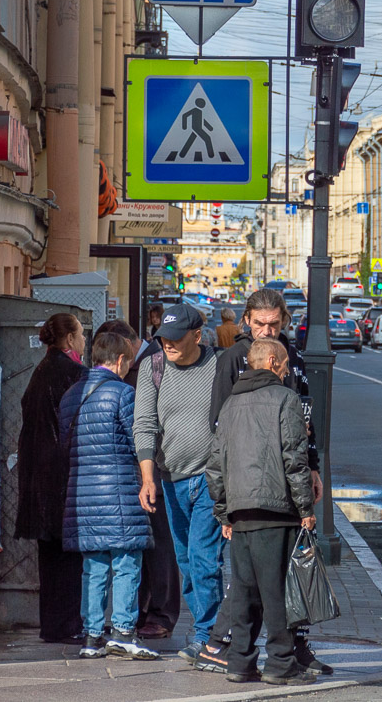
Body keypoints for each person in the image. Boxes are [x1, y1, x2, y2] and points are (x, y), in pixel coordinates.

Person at [194, 289, 329, 676]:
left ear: (283, 322)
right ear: (246, 322)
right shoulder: (236, 360)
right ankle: (273, 658)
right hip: (268, 493)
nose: (267, 330)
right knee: (271, 585)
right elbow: (220, 434)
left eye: (274, 324)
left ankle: (237, 654)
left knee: (254, 583)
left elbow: (306, 418)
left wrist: (313, 466)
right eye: (260, 324)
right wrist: (303, 507)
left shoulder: (292, 357)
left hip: (250, 495)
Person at [206, 339, 317, 686]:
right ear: (271, 362)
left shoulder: (230, 405)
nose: (286, 372)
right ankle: (280, 663)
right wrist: (306, 509)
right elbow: (294, 459)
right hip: (277, 511)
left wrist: (224, 513)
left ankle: (240, 662)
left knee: (243, 592)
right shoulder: (286, 400)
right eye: (283, 366)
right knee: (277, 594)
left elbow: (215, 465)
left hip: (241, 514)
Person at [59, 332, 160, 661]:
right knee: (128, 562)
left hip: (83, 496)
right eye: (128, 361)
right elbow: (138, 443)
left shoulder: (71, 396)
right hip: (119, 492)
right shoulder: (123, 393)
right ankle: (123, 632)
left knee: (94, 566)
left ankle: (91, 636)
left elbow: (65, 446)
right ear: (120, 361)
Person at [133, 304, 224, 661]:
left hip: (210, 477)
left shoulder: (219, 366)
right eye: (163, 338)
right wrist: (147, 478)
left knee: (204, 559)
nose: (167, 344)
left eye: (175, 338)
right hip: (170, 479)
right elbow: (144, 425)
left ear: (197, 336)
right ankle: (211, 629)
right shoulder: (153, 368)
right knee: (186, 561)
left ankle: (209, 635)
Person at [96, 319, 181, 641]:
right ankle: (144, 611)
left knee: (160, 544)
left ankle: (161, 613)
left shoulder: (155, 363)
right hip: (136, 468)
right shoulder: (138, 364)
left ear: (128, 344)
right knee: (145, 545)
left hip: (157, 467)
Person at [14, 313, 88, 643]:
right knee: (68, 559)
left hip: (39, 479)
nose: (84, 341)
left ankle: (53, 625)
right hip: (64, 479)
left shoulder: (40, 371)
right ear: (70, 340)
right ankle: (66, 626)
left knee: (50, 558)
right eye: (82, 335)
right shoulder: (73, 374)